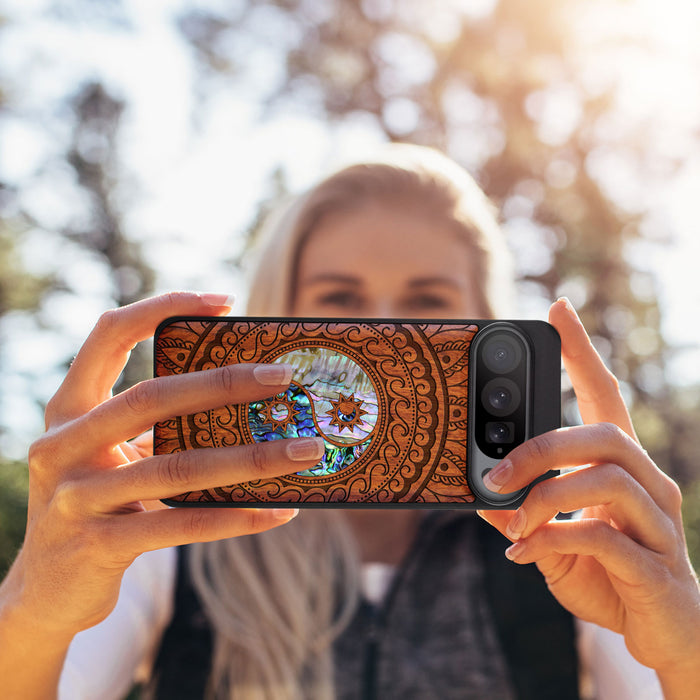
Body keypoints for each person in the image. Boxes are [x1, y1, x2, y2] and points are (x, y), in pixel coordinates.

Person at [0, 145, 698, 700]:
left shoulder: (567, 543)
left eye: (427, 301)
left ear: (486, 324)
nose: (385, 327)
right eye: (340, 298)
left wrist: (685, 649)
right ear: (278, 317)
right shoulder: (172, 534)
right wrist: (34, 607)